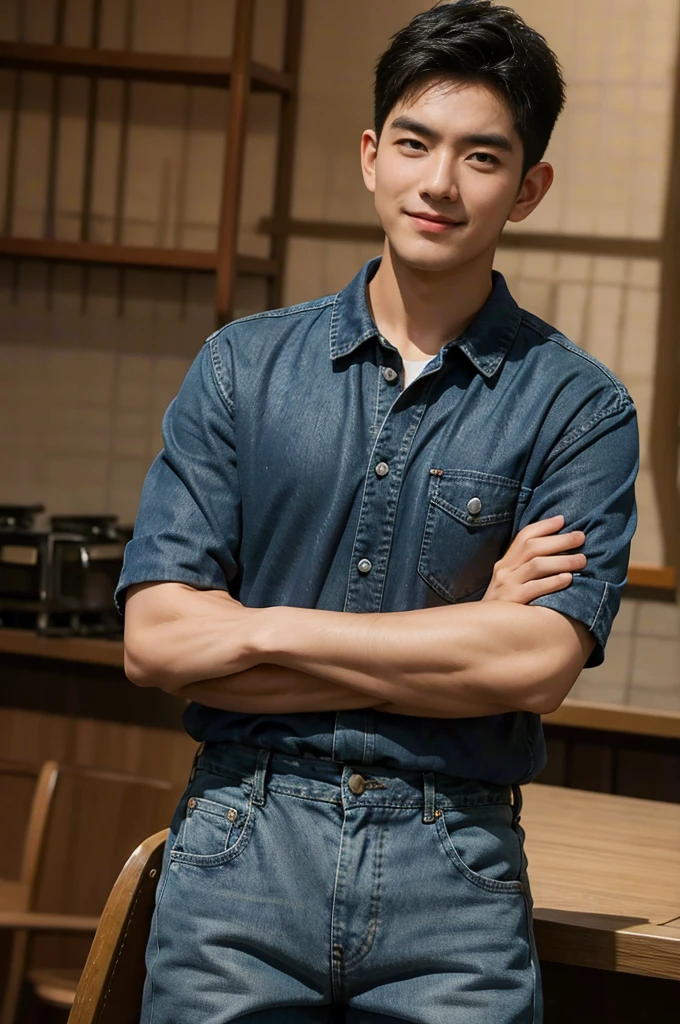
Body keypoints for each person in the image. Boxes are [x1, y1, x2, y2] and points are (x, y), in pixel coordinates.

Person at [117, 1, 638, 1020]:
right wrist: (463, 634)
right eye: (413, 143)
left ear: (526, 187)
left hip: (453, 862)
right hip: (239, 840)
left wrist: (256, 626)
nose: (437, 182)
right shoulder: (242, 368)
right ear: (370, 156)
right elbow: (153, 639)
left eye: (480, 157)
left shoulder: (577, 406)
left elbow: (533, 664)